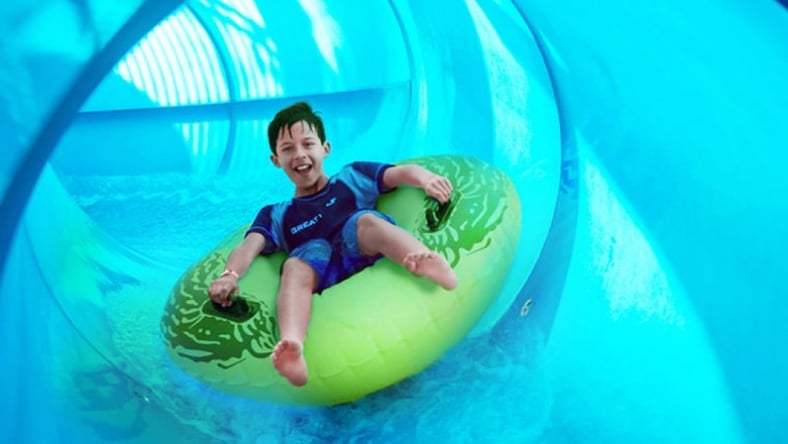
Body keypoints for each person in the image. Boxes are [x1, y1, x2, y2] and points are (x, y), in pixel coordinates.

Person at [207, 101, 458, 387]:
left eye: (307, 144)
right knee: (295, 265)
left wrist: (427, 179)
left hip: (360, 244)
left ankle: (420, 258)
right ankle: (292, 345)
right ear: (275, 160)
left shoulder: (352, 177)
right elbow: (248, 247)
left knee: (365, 221)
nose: (299, 154)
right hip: (318, 267)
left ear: (325, 148)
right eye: (287, 149)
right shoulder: (276, 214)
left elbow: (399, 173)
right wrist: (230, 276)